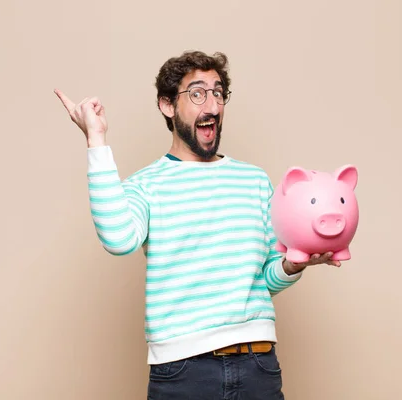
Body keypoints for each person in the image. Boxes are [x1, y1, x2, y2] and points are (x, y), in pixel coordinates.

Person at [55, 50, 340, 399]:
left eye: (218, 93)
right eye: (197, 93)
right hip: (182, 372)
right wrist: (95, 139)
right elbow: (118, 239)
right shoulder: (147, 185)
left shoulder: (254, 181)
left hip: (258, 366)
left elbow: (266, 278)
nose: (213, 106)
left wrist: (292, 265)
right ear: (167, 105)